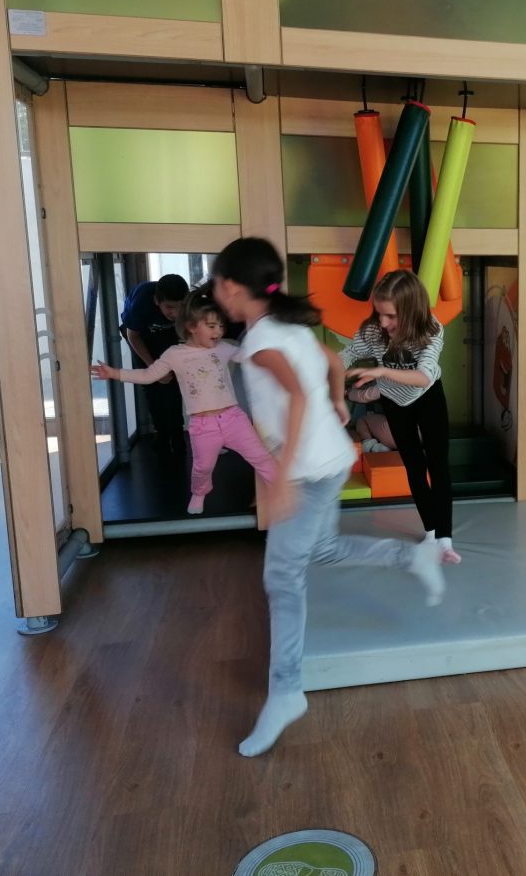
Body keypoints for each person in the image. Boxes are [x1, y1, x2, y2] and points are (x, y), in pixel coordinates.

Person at [208, 238, 445, 757]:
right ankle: (415, 556)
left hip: (311, 471)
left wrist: (282, 477)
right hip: (332, 460)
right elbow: (333, 363)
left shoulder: (261, 342)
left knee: (282, 577)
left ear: (232, 287)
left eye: (219, 286)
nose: (218, 295)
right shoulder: (288, 327)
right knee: (323, 550)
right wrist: (337, 401)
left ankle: (286, 691)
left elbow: (296, 394)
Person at [92, 287, 276, 515]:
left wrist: (266, 330)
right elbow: (148, 375)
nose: (218, 331)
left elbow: (250, 355)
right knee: (202, 467)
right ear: (191, 326)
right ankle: (199, 493)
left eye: (221, 326)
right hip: (203, 425)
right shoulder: (174, 354)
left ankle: (283, 489)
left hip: (233, 418)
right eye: (212, 326)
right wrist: (115, 373)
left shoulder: (224, 348)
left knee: (261, 457)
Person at [340, 270, 459, 564]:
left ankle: (445, 539)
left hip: (427, 396)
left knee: (438, 464)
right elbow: (349, 353)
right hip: (395, 401)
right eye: (379, 314)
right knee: (414, 466)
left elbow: (423, 377)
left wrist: (381, 371)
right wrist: (331, 371)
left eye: (391, 316)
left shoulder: (430, 328)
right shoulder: (373, 330)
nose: (383, 322)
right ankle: (431, 531)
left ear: (410, 310)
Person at [119, 273, 189, 455]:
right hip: (139, 336)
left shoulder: (188, 306)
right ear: (157, 301)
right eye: (170, 307)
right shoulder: (142, 303)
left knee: (172, 382)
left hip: (166, 333)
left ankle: (177, 436)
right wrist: (154, 368)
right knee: (151, 384)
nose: (176, 313)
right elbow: (132, 336)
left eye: (180, 307)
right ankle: (162, 435)